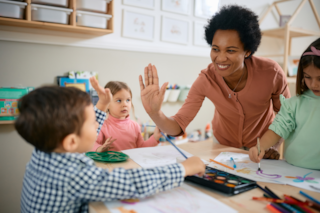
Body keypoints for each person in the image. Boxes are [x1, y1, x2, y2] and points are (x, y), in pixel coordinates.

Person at [16, 77, 206, 213]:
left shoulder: (44, 151)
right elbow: (132, 183)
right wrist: (182, 168)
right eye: (93, 123)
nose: (98, 124)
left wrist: (100, 106)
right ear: (71, 142)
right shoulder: (72, 176)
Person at [139, 5, 290, 159]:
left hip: (262, 146)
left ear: (248, 51)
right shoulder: (206, 79)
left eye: (230, 50)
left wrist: (272, 145)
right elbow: (177, 125)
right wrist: (155, 113)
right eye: (216, 49)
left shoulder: (271, 73)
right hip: (223, 146)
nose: (221, 58)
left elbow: (286, 116)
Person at [249, 38, 320, 170]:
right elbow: (277, 129)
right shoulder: (294, 104)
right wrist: (260, 147)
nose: (313, 84)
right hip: (292, 170)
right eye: (308, 77)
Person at [92, 81, 161, 152]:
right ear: (107, 104)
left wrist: (155, 137)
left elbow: (141, 148)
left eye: (128, 100)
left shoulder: (135, 126)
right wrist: (99, 148)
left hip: (132, 163)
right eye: (119, 100)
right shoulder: (102, 126)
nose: (125, 104)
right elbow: (92, 144)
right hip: (111, 163)